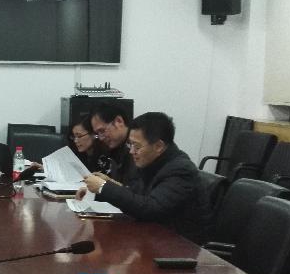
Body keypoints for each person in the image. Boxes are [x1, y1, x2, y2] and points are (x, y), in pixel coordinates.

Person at [78, 112, 207, 243]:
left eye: (137, 146)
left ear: (158, 146)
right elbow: (136, 194)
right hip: (154, 236)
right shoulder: (153, 161)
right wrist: (101, 189)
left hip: (180, 246)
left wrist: (103, 187)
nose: (131, 151)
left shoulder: (180, 170)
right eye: (130, 144)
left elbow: (150, 209)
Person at [89, 102, 137, 185]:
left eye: (102, 131)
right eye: (97, 133)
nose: (101, 138)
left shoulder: (137, 148)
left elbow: (135, 189)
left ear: (119, 121)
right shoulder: (116, 149)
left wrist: (105, 185)